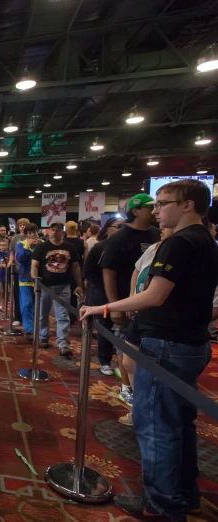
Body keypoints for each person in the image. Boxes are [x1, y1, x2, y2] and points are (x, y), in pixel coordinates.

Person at [81, 180, 218, 520]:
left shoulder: (180, 242)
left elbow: (154, 295)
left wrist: (104, 308)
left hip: (167, 344)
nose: (155, 210)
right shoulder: (205, 240)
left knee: (157, 426)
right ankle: (185, 494)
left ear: (188, 205)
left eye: (163, 203)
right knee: (179, 422)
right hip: (191, 341)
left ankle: (163, 504)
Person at [101, 194, 160, 406]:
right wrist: (114, 304)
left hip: (150, 303)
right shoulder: (120, 238)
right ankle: (127, 387)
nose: (154, 212)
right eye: (149, 208)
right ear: (136, 211)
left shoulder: (158, 235)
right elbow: (108, 272)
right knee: (126, 346)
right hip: (126, 303)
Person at [115, 226, 174, 426]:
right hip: (141, 314)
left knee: (159, 377)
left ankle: (151, 416)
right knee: (130, 363)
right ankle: (139, 409)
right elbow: (137, 270)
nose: (161, 229)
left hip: (164, 322)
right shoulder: (154, 248)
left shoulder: (182, 248)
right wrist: (133, 296)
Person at [31, 222, 84, 356]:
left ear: (63, 232)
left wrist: (79, 284)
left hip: (63, 285)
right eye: (53, 230)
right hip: (45, 286)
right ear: (50, 231)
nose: (55, 232)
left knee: (63, 315)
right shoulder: (42, 246)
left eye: (58, 230)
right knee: (43, 313)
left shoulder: (69, 247)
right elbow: (35, 265)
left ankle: (63, 343)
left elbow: (76, 266)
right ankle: (43, 336)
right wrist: (35, 280)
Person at [83, 216, 125, 376]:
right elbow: (88, 272)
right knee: (105, 328)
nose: (122, 229)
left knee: (124, 332)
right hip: (101, 295)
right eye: (118, 226)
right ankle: (105, 361)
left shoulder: (126, 246)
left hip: (124, 295)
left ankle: (123, 364)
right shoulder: (99, 248)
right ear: (108, 229)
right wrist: (104, 287)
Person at [15, 223, 40, 341]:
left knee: (39, 306)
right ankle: (29, 330)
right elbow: (19, 259)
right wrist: (27, 247)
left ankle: (39, 329)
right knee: (26, 305)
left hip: (40, 280)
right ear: (26, 234)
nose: (33, 235)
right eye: (30, 233)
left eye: (34, 232)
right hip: (25, 280)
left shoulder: (43, 244)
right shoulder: (21, 244)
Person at [8, 218, 30, 327]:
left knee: (29, 297)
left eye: (24, 225)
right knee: (17, 295)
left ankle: (29, 318)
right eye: (20, 225)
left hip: (28, 271)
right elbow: (12, 252)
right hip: (17, 270)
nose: (22, 227)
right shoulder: (15, 238)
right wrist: (10, 261)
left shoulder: (31, 238)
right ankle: (18, 317)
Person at [65, 220, 86, 324]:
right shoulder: (83, 242)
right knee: (77, 294)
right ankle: (73, 316)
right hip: (78, 270)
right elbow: (86, 259)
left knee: (65, 294)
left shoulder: (63, 241)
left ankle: (67, 316)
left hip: (65, 270)